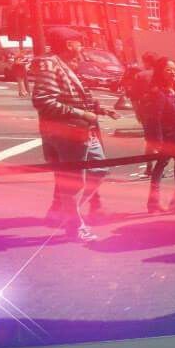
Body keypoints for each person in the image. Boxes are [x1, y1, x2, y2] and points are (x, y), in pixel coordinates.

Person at [31, 27, 118, 242]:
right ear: (69, 44)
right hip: (67, 133)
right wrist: (82, 114)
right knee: (74, 182)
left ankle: (68, 213)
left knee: (99, 169)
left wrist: (100, 109)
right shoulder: (50, 64)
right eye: (79, 42)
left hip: (82, 131)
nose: (82, 47)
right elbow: (43, 101)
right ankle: (74, 226)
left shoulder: (65, 64)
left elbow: (78, 97)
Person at [147, 57, 175, 214]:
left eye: (174, 69)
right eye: (168, 70)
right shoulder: (159, 93)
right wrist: (158, 142)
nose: (173, 72)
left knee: (161, 166)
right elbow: (155, 119)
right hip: (168, 136)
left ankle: (155, 202)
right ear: (160, 73)